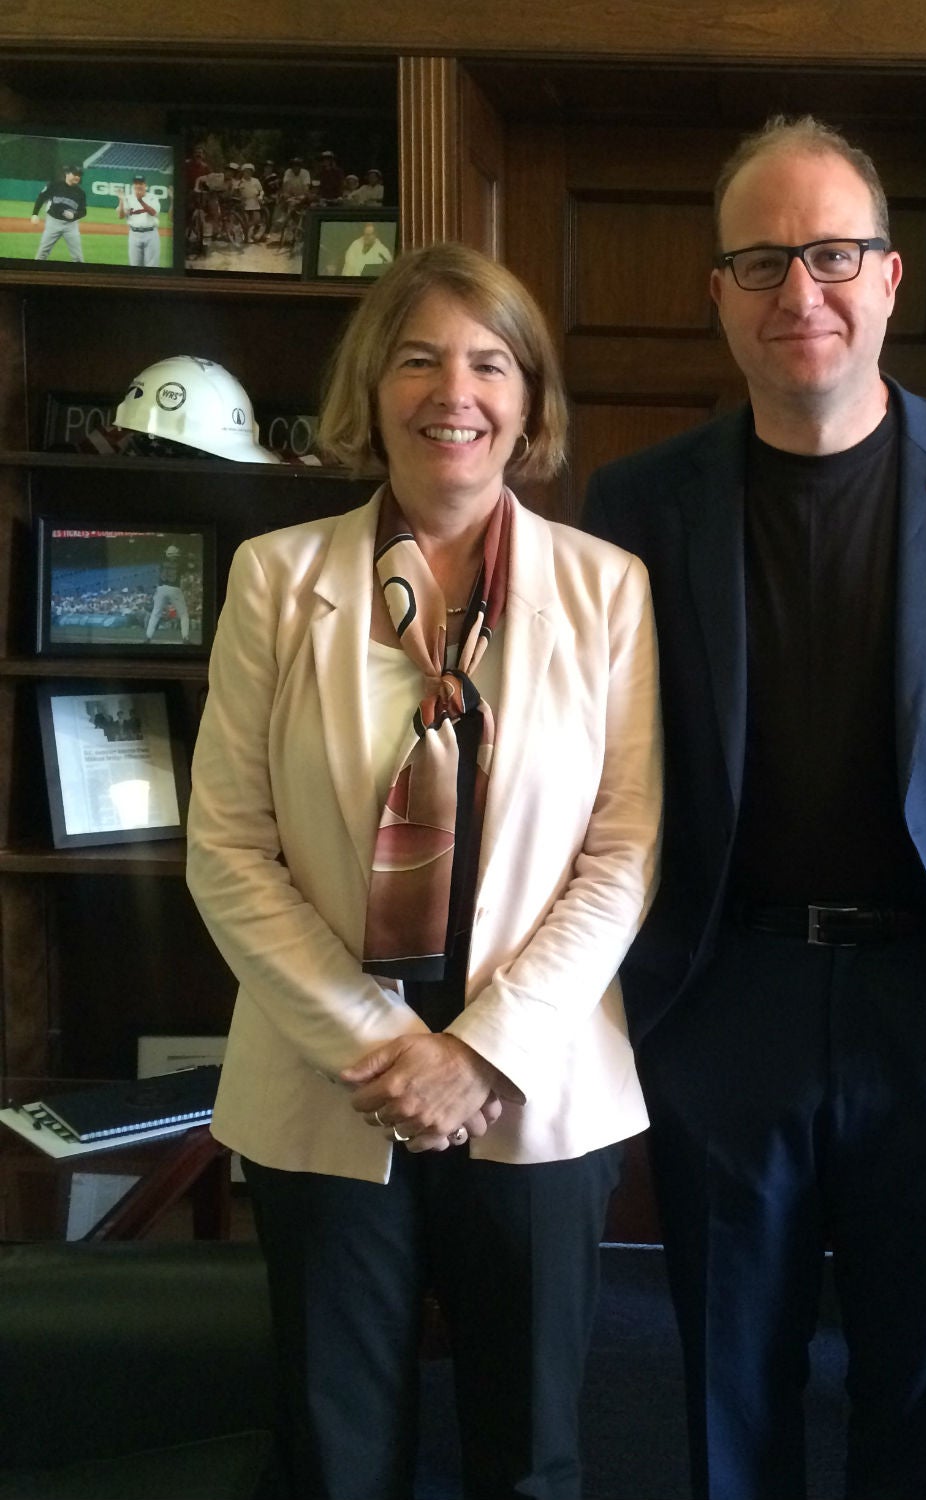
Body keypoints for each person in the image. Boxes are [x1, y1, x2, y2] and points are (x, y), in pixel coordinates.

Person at [583, 115, 926, 1500]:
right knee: (725, 1383)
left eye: (832, 254)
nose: (800, 292)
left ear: (890, 277)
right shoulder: (639, 505)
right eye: (762, 261)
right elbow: (590, 761)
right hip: (729, 1001)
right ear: (717, 292)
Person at [185, 241, 663, 1500]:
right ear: (373, 388)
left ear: (528, 400)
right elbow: (228, 846)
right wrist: (380, 1046)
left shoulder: (610, 590)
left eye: (489, 362)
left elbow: (623, 851)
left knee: (530, 1455)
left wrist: (481, 1052)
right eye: (419, 358)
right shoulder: (276, 581)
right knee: (337, 1452)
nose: (456, 390)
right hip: (328, 1076)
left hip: (537, 1076)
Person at [31, 163, 88, 262]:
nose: (77, 177)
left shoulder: (80, 193)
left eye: (79, 175)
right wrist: (35, 214)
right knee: (42, 253)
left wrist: (74, 216)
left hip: (71, 226)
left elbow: (83, 211)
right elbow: (41, 197)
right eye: (75, 174)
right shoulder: (54, 185)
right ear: (67, 174)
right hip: (53, 222)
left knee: (78, 257)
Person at [144, 542, 190, 642]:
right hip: (174, 588)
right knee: (183, 614)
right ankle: (185, 637)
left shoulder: (162, 562)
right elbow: (187, 568)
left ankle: (148, 637)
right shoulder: (180, 563)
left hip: (161, 588)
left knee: (155, 614)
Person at [116, 173, 163, 267]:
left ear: (145, 185)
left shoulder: (153, 198)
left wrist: (140, 200)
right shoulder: (128, 198)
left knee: (152, 266)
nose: (138, 186)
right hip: (134, 234)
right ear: (133, 185)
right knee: (134, 265)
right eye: (136, 183)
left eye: (141, 183)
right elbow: (121, 216)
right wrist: (121, 200)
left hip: (151, 234)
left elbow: (153, 213)